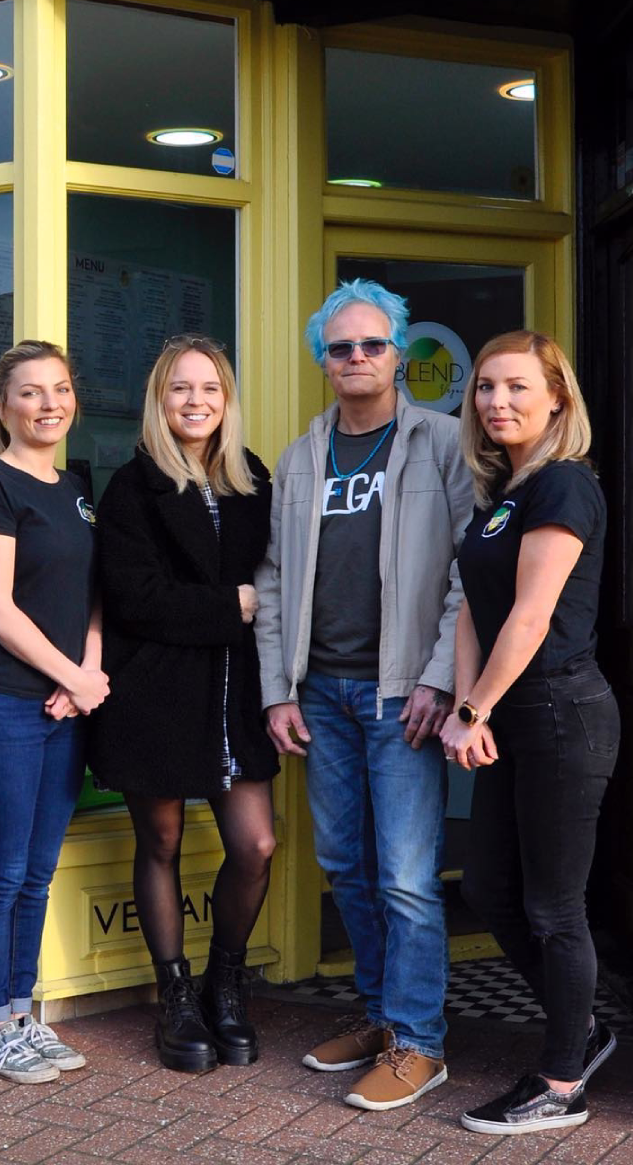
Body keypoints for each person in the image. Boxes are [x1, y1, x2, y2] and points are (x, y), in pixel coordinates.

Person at [255, 279, 473, 1110]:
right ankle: (383, 1019)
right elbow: (273, 583)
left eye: (372, 345)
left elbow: (468, 575)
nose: (356, 358)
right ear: (323, 360)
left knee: (409, 878)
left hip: (400, 698)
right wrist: (281, 691)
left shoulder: (444, 443)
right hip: (323, 698)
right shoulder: (300, 457)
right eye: (340, 347)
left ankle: (422, 1045)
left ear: (399, 354)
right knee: (346, 866)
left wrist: (438, 680)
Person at [440, 330, 619, 1134]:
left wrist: (475, 708)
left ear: (557, 398)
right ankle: (576, 1033)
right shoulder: (501, 493)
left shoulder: (563, 489)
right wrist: (463, 706)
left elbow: (532, 615)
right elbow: (473, 611)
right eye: (483, 387)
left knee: (554, 907)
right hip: (509, 716)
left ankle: (559, 1084)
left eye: (516, 387)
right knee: (487, 889)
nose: (496, 402)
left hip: (558, 712)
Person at [90, 334, 278, 1074]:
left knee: (256, 845)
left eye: (209, 388)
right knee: (161, 843)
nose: (195, 401)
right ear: (158, 401)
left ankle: (222, 986)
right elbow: (134, 599)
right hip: (155, 692)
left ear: (226, 400)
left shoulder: (252, 478)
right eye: (179, 389)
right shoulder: (130, 487)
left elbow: (278, 579)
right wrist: (228, 605)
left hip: (236, 695)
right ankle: (174, 999)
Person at [0, 339, 109, 1084]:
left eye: (61, 389)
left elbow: (93, 596)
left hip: (63, 702)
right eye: (32, 392)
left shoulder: (76, 486)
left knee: (38, 871)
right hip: (1, 703)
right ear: (1, 405)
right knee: (4, 870)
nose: (50, 404)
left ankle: (22, 1012)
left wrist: (89, 674)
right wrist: (71, 675)